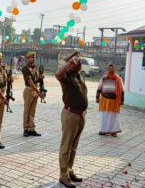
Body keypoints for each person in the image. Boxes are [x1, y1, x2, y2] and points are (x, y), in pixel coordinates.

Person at [55, 51, 87, 188]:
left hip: (80, 115)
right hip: (71, 114)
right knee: (66, 146)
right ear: (71, 64)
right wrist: (68, 62)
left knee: (74, 146)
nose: (80, 63)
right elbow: (57, 74)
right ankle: (63, 176)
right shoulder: (66, 76)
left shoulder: (79, 75)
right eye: (77, 61)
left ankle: (69, 170)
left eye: (80, 61)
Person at [96, 63, 124, 137]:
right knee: (104, 116)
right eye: (109, 68)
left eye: (112, 68)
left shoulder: (118, 78)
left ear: (114, 69)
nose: (110, 69)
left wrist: (122, 100)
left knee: (113, 116)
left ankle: (113, 131)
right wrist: (97, 97)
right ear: (107, 69)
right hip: (104, 100)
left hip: (114, 101)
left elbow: (121, 90)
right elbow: (99, 88)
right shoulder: (104, 78)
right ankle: (103, 130)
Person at [21, 51, 44, 137]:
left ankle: (31, 128)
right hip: (29, 90)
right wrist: (38, 92)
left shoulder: (36, 68)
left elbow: (36, 80)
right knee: (27, 110)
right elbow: (30, 82)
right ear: (28, 58)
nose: (33, 59)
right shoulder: (25, 68)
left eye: (34, 57)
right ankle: (25, 129)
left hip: (35, 90)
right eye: (32, 57)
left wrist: (40, 78)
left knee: (32, 111)